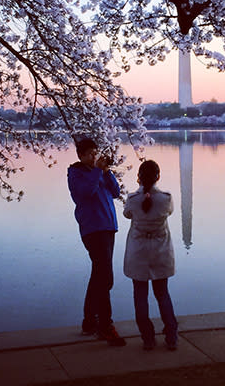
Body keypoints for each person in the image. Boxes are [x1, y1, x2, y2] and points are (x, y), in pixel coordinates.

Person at [67, 137, 126, 346]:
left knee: (99, 276)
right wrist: (96, 172)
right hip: (93, 229)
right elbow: (85, 193)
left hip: (108, 227)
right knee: (105, 277)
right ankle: (105, 325)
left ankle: (90, 321)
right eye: (91, 154)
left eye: (95, 153)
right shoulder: (76, 174)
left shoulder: (98, 172)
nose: (94, 157)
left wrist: (107, 171)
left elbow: (116, 192)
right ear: (81, 155)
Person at [123, 159, 178, 350]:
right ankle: (171, 335)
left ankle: (147, 338)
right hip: (160, 253)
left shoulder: (132, 199)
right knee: (162, 295)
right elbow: (168, 212)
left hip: (138, 254)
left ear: (138, 177)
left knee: (140, 296)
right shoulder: (166, 198)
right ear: (158, 177)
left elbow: (127, 214)